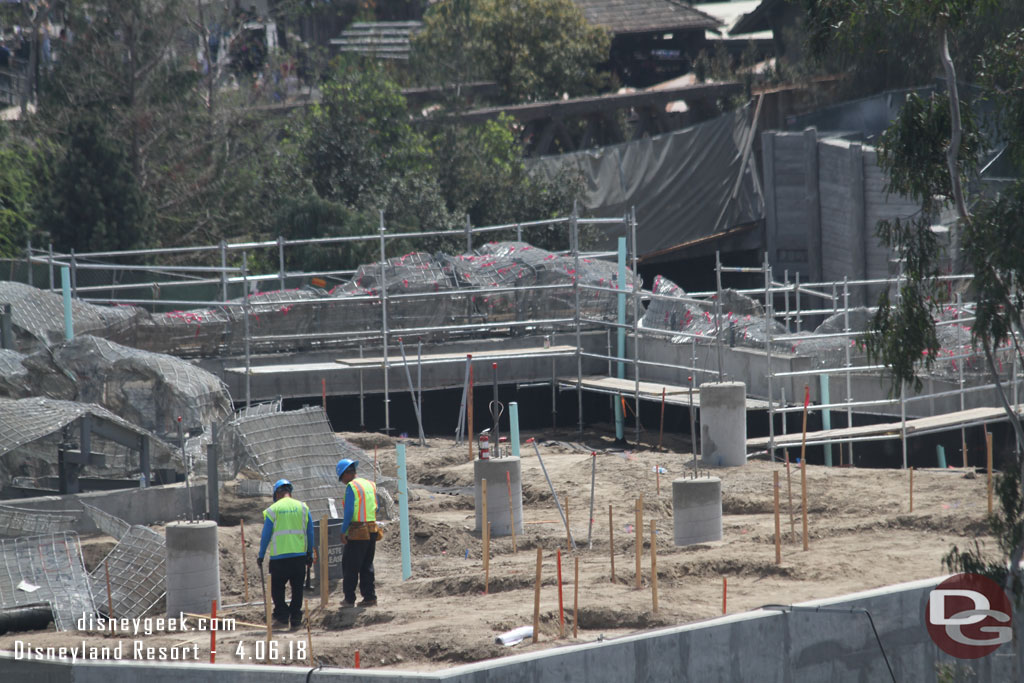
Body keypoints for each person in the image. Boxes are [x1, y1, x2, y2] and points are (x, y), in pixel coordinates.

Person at [257, 479, 314, 629]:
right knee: (297, 589)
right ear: (290, 491)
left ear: (276, 493)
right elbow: (310, 532)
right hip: (299, 557)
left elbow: (266, 535)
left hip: (279, 558)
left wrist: (261, 554)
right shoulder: (303, 507)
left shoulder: (272, 510)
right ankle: (295, 618)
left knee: (277, 588)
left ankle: (282, 616)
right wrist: (310, 553)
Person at [336, 458, 380, 608]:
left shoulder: (352, 487)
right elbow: (377, 508)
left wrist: (343, 531)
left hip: (358, 531)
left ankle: (349, 598)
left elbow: (349, 512)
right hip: (372, 529)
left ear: (346, 474)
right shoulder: (370, 485)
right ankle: (370, 597)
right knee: (367, 565)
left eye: (341, 478)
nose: (342, 481)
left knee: (350, 565)